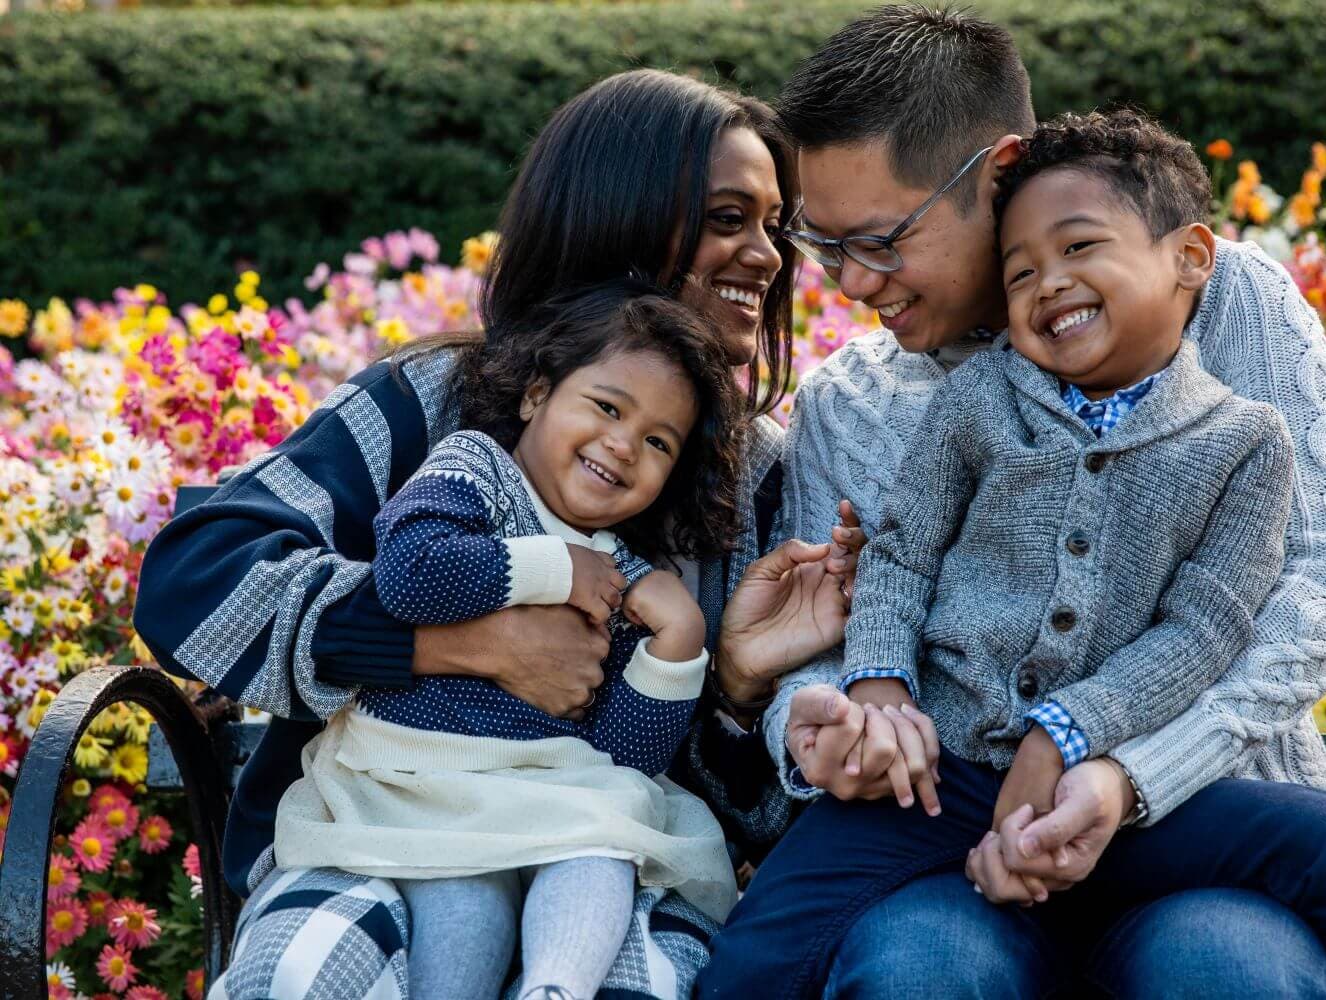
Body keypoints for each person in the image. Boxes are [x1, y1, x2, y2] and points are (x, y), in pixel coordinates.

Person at [704, 6, 1326, 996]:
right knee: (919, 976)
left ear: (999, 171)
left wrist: (1126, 774)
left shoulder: (1227, 301)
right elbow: (832, 643)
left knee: (1227, 977)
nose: (854, 282)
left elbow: (1322, 589)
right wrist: (821, 725)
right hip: (945, 853)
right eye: (827, 245)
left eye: (884, 239)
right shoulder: (853, 402)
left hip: (1208, 825)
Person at [135, 70, 853, 999]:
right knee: (306, 977)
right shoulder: (427, 408)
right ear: (617, 217)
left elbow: (742, 815)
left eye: (773, 225)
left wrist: (738, 692)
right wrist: (454, 644)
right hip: (376, 838)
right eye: (727, 218)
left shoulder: (755, 475)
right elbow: (195, 577)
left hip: (613, 871)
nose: (766, 256)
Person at [276, 282, 749, 1000]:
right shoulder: (478, 471)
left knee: (602, 852)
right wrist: (557, 568)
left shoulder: (620, 567)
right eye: (607, 407)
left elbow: (624, 756)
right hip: (420, 783)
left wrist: (677, 642)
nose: (623, 446)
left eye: (658, 442)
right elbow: (409, 576)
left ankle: (555, 988)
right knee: (463, 901)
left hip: (550, 795)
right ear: (536, 395)